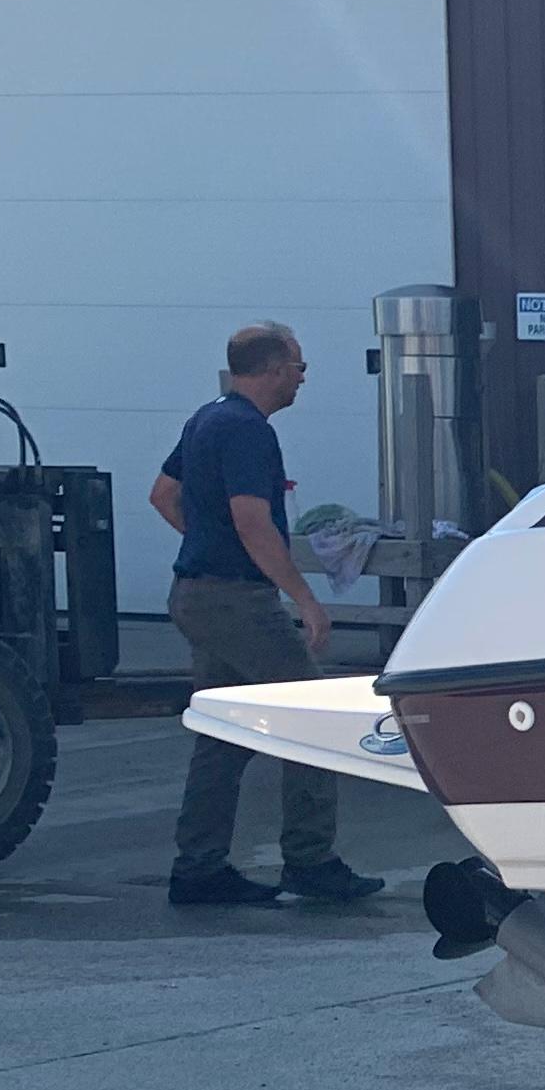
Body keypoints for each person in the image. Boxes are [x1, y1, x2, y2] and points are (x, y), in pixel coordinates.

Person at [147, 322, 384, 909]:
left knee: (222, 736)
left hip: (195, 594)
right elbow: (252, 520)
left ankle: (198, 867)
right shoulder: (249, 431)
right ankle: (310, 860)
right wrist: (304, 598)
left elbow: (162, 495)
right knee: (316, 721)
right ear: (274, 368)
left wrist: (208, 542)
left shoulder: (206, 419)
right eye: (299, 367)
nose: (303, 378)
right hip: (237, 600)